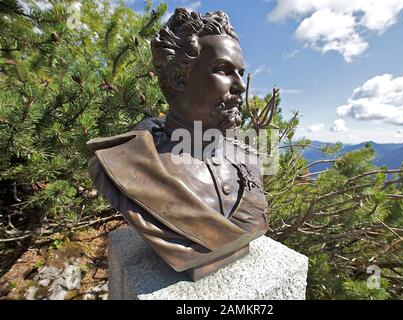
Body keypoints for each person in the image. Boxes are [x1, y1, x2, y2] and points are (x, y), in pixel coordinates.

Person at [87, 8, 268, 279]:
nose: (240, 86)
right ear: (178, 77)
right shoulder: (120, 165)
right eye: (223, 70)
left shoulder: (250, 159)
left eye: (240, 73)